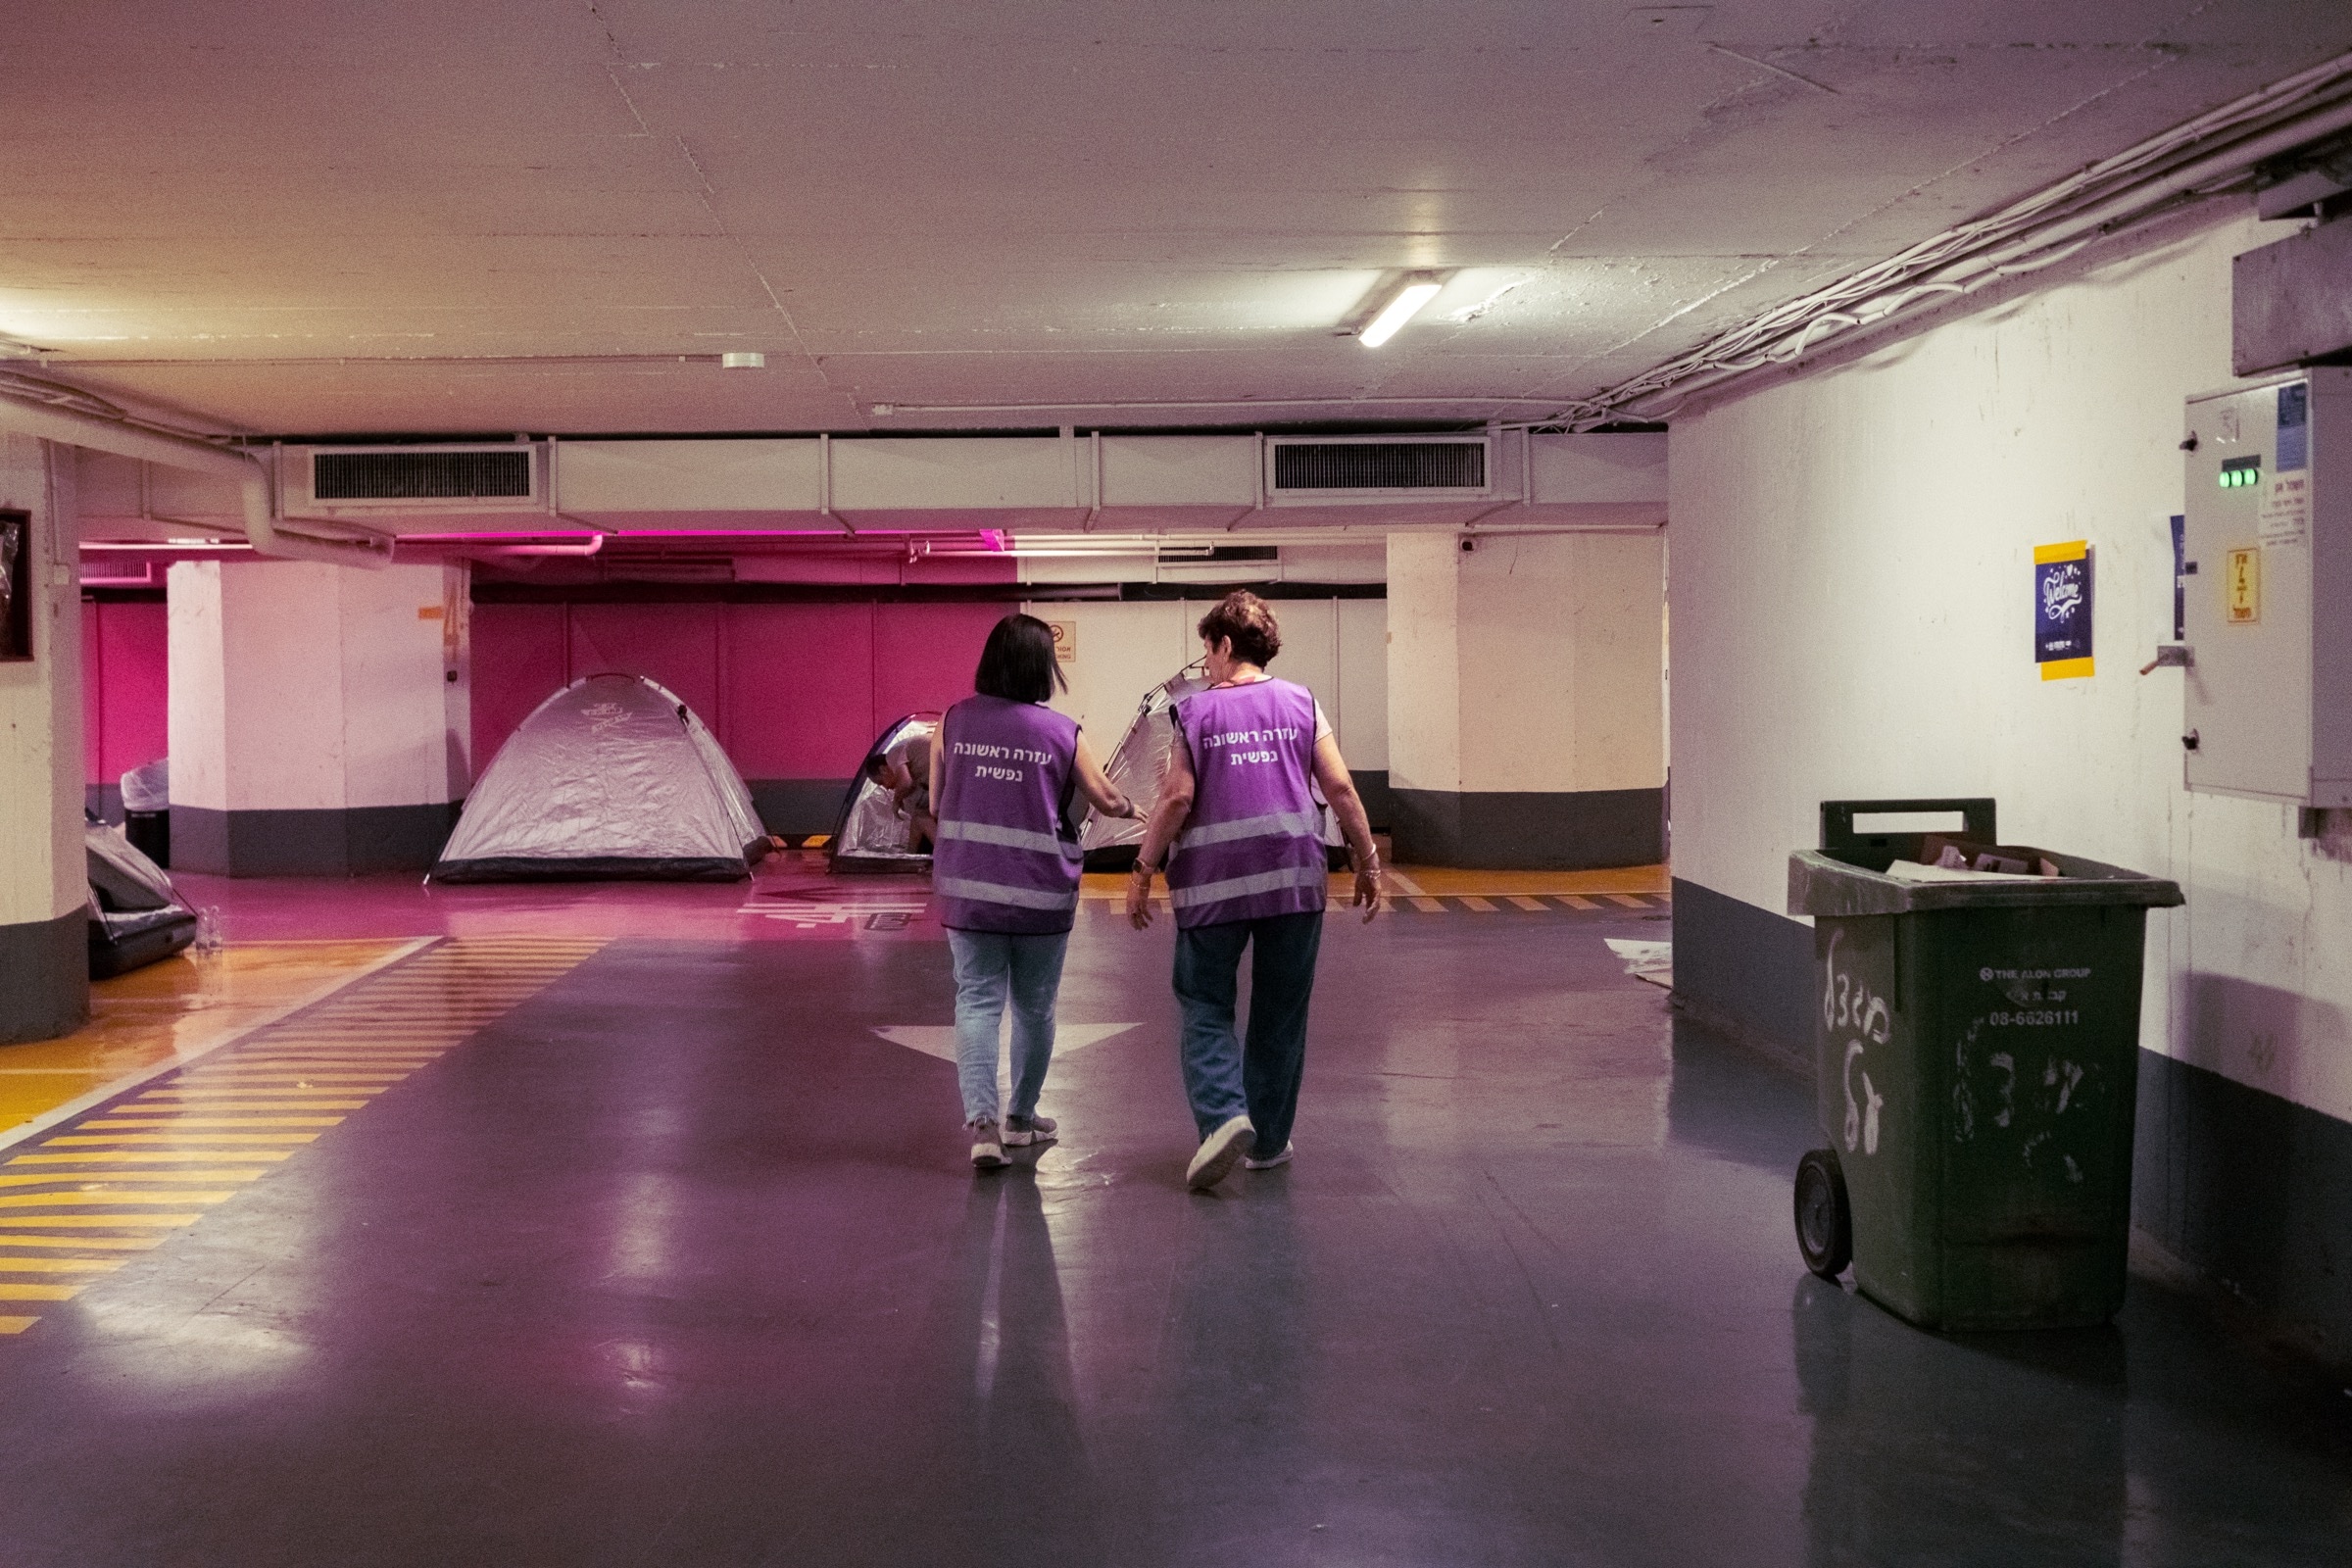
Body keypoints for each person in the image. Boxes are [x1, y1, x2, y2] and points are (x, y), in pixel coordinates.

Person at [1126, 591, 1381, 1190]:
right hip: (1293, 880)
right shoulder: (1302, 702)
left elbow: (1177, 798)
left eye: (1207, 650)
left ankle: (1222, 1117)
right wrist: (1367, 858)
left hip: (1213, 886)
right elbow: (1340, 788)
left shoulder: (1192, 714)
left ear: (1223, 644)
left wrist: (1141, 869)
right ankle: (1266, 1141)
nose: (1205, 663)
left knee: (1205, 1003)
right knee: (1280, 1011)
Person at [930, 613, 1139, 1169]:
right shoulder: (1062, 732)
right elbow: (1106, 799)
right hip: (1040, 894)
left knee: (976, 1001)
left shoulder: (951, 721)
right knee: (1034, 1007)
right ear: (1042, 668)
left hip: (969, 890)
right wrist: (1138, 808)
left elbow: (933, 805)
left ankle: (982, 1127)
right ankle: (1022, 1119)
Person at [865, 731, 937, 851]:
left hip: (955, 769)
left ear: (883, 770)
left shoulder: (892, 755)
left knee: (920, 816)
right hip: (955, 773)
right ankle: (910, 856)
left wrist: (896, 802)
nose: (886, 788)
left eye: (881, 782)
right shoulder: (915, 768)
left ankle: (946, 853)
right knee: (918, 815)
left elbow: (905, 783)